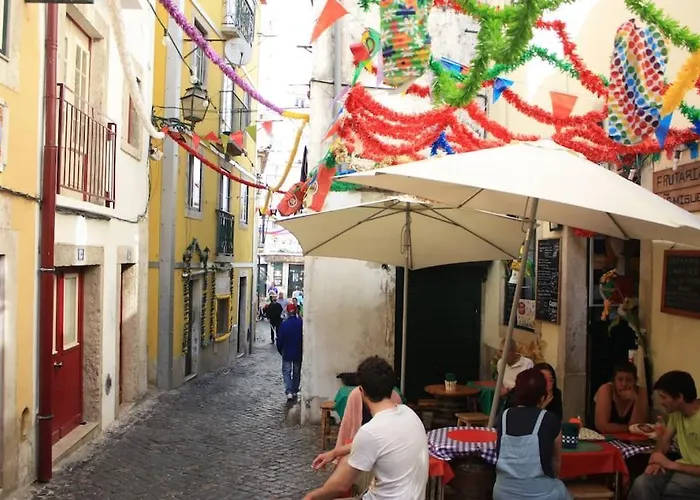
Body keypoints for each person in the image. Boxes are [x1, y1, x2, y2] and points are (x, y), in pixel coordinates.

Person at [305, 356, 429, 500]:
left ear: (361, 391)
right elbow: (374, 443)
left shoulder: (371, 431)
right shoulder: (409, 414)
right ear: (391, 388)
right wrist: (335, 452)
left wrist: (311, 497)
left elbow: (341, 486)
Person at [493, 368, 571, 500]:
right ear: (542, 396)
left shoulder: (504, 417)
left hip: (503, 494)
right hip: (541, 495)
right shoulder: (550, 419)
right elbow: (556, 461)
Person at [628, 371, 700, 500]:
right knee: (642, 483)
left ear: (680, 397)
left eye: (664, 397)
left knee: (662, 490)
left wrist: (671, 464)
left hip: (694, 474)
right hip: (680, 469)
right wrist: (656, 461)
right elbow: (664, 440)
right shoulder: (677, 413)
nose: (661, 402)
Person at [594, 360, 649, 434]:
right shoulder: (606, 389)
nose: (624, 384)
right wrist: (629, 428)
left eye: (629, 380)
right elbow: (602, 426)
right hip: (601, 437)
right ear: (614, 381)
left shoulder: (641, 392)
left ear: (635, 381)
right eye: (620, 379)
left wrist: (636, 400)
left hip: (630, 439)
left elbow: (637, 427)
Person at [277, 303, 303, 400]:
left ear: (287, 312)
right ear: (296, 311)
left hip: (287, 351)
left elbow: (279, 340)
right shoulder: (301, 323)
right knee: (296, 371)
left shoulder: (284, 325)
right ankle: (295, 390)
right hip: (298, 351)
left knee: (286, 371)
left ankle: (289, 392)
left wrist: (280, 350)